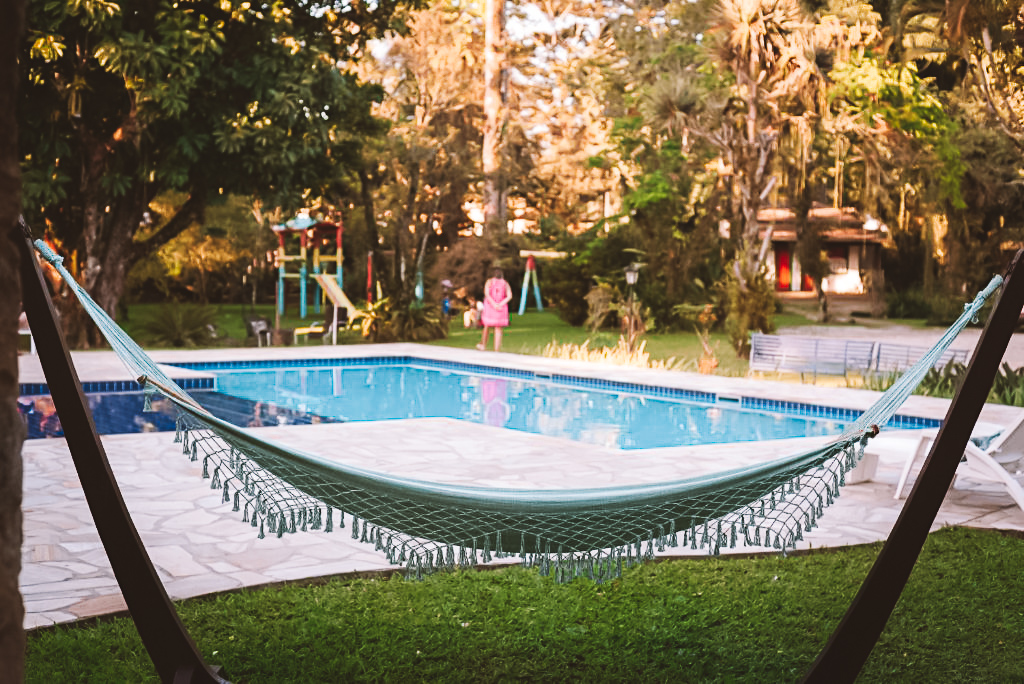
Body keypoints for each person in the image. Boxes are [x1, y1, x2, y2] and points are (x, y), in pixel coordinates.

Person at [477, 268, 513, 351]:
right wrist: (500, 304)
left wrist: (494, 304)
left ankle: (483, 345)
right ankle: (496, 349)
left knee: (486, 326)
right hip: (501, 308)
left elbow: (487, 294)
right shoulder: (505, 283)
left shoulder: (489, 282)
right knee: (498, 328)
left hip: (490, 307)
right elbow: (509, 296)